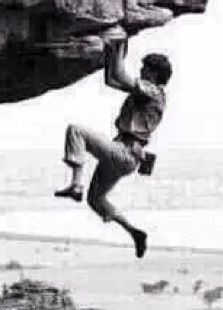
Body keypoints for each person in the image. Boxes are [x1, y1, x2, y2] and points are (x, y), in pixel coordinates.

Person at [54, 33, 172, 259]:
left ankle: (76, 185)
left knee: (76, 131)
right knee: (95, 200)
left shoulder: (154, 92)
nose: (141, 71)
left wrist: (119, 40)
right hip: (126, 156)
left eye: (145, 69)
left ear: (155, 74)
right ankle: (134, 232)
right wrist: (114, 49)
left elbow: (119, 74)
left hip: (124, 152)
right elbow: (111, 79)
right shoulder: (148, 92)